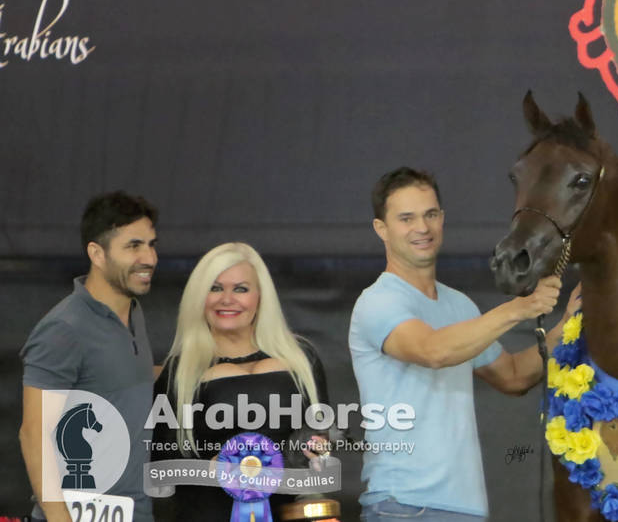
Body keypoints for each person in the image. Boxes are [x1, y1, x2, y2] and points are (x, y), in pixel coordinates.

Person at [349, 167, 579, 521]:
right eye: (406, 218)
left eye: (430, 214)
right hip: (403, 507)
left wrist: (566, 327)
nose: (422, 228)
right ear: (381, 228)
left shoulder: (459, 305)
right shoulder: (377, 301)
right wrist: (521, 308)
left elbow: (513, 376)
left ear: (442, 218)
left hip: (466, 509)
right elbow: (434, 351)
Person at [151, 242, 330, 521]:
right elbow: (160, 465)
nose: (227, 299)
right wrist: (214, 468)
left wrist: (317, 451)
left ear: (260, 297)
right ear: (199, 297)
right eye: (215, 288)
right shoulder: (179, 370)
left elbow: (322, 438)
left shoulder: (301, 358)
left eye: (241, 289)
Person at [19, 191, 159, 522]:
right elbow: (33, 433)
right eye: (133, 246)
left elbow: (116, 379)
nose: (150, 257)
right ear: (97, 253)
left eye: (151, 244)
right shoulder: (64, 328)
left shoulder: (133, 312)